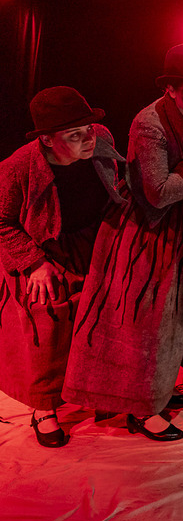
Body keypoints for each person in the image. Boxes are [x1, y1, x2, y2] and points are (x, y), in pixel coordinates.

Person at [62, 43, 183, 441]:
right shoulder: (148, 124)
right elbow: (158, 193)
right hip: (146, 234)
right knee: (143, 322)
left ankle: (157, 392)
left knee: (176, 321)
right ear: (170, 90)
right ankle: (139, 408)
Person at [0, 87, 125, 447]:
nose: (88, 139)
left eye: (88, 129)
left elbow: (114, 181)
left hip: (92, 239)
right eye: (74, 135)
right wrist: (34, 263)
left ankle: (101, 390)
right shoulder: (17, 169)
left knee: (111, 306)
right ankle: (44, 407)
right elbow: (2, 222)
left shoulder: (100, 138)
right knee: (49, 312)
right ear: (47, 140)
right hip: (45, 247)